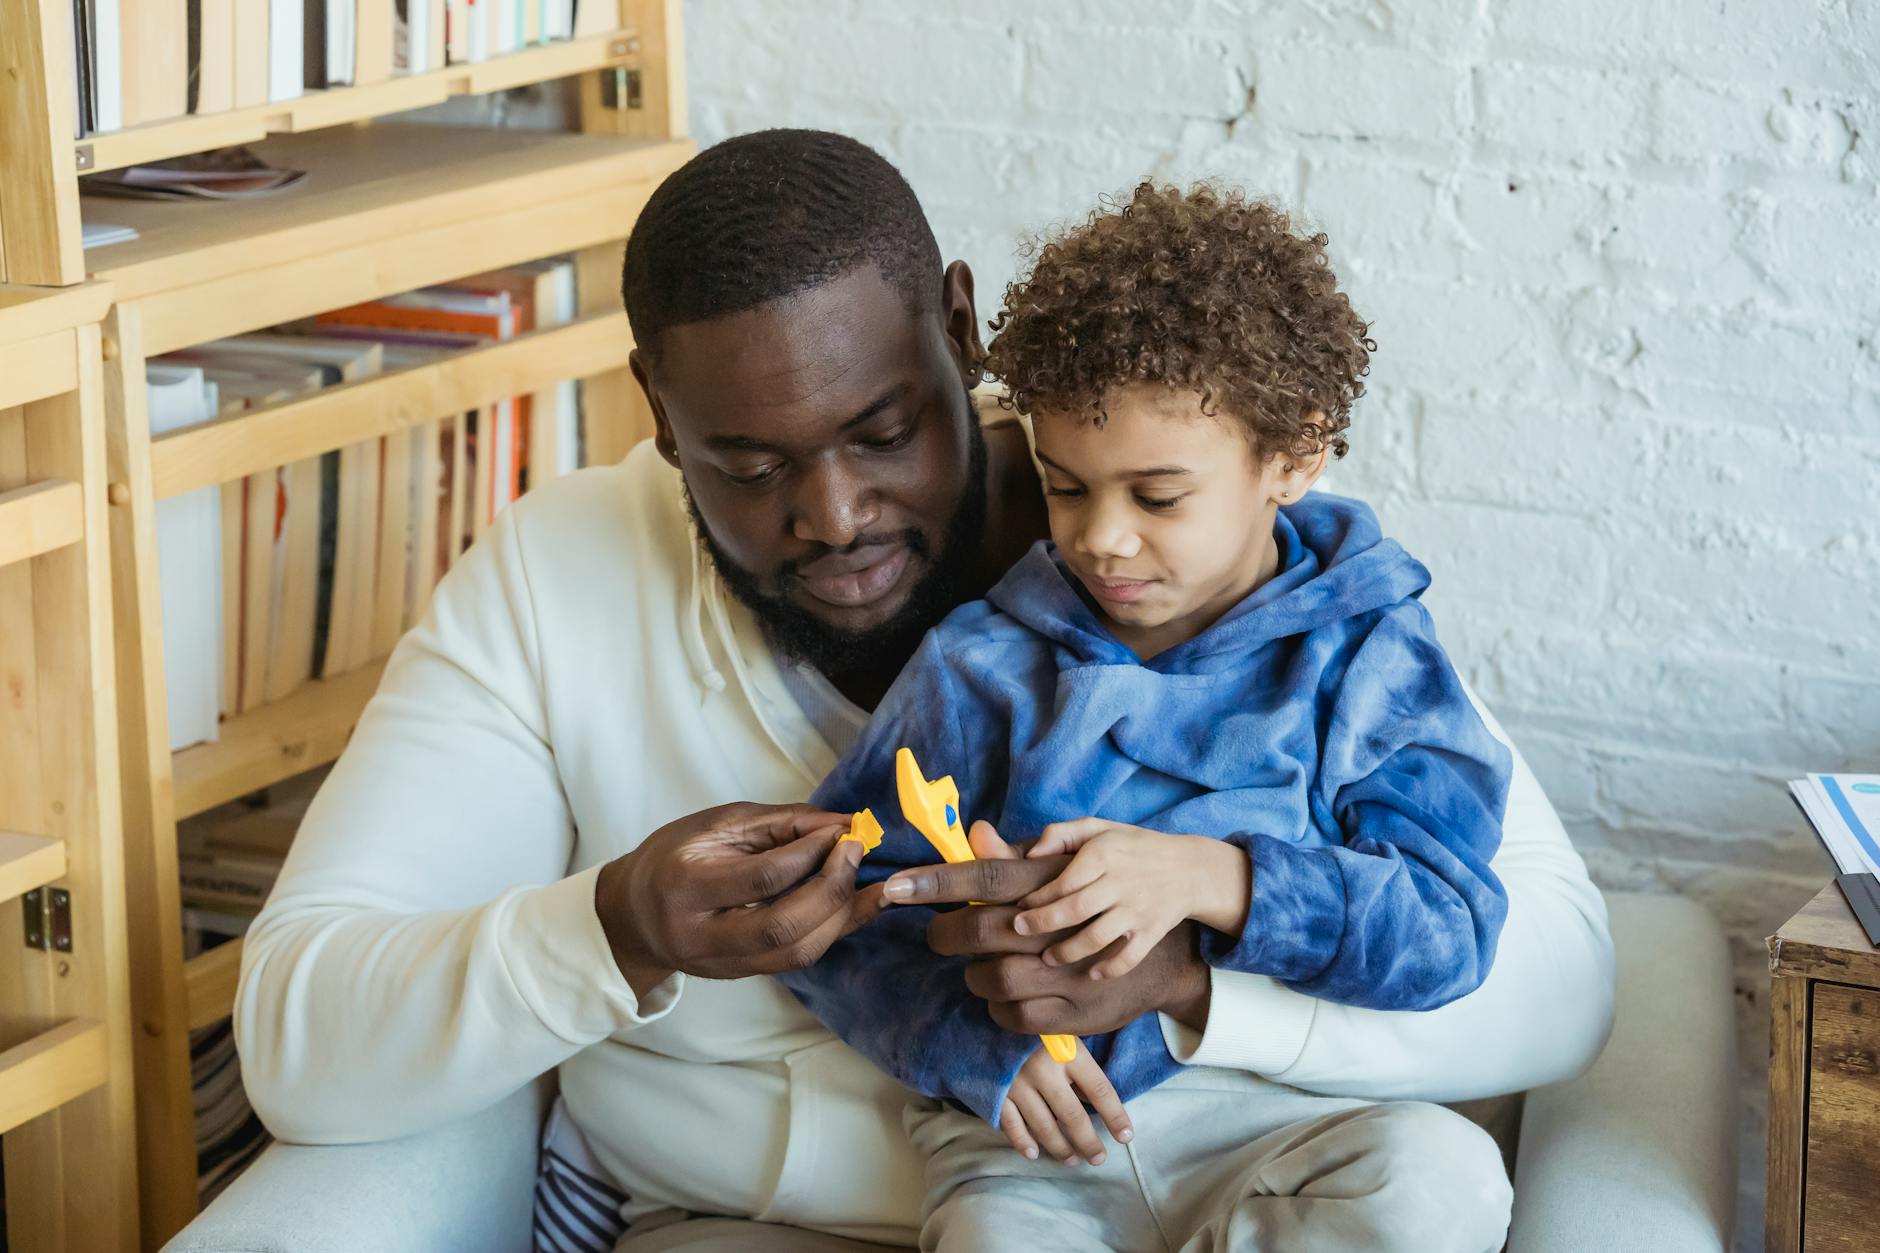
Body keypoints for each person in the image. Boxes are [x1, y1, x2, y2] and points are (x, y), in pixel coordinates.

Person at [235, 129, 1615, 1252]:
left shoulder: (1234, 566)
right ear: (658, 411)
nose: (832, 515)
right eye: (749, 465)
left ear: (963, 332)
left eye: (881, 430)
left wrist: (1195, 968)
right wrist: (617, 925)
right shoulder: (560, 578)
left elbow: (1553, 975)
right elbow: (299, 1042)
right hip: (778, 1218)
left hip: (1227, 1179)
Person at [786, 181, 1516, 1252]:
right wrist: (974, 1052)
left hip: (1284, 1116)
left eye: (1157, 496)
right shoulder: (981, 664)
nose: (1102, 541)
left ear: (1294, 455)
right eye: (1066, 486)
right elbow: (839, 911)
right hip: (1035, 1139)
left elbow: (1446, 927)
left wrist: (1210, 876)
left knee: (1438, 1180)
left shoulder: (1368, 653)